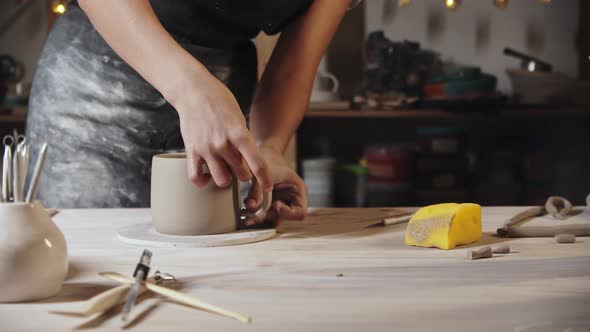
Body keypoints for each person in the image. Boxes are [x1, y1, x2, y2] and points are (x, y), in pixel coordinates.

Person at [26, 0, 352, 224]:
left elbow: (292, 69)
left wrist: (270, 146)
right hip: (96, 81)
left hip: (222, 87)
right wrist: (191, 91)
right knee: (91, 263)